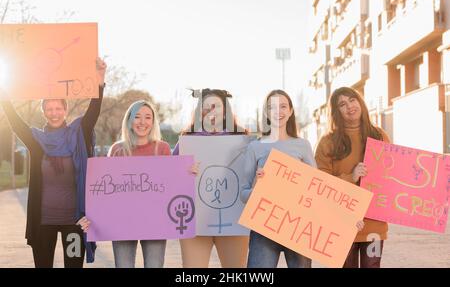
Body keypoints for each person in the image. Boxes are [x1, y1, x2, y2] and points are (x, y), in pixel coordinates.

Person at [0, 57, 107, 268]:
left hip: (74, 222)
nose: (54, 113)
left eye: (58, 108)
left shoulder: (78, 135)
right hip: (43, 222)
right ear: (44, 112)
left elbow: (93, 110)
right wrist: (4, 94)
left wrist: (100, 79)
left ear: (65, 110)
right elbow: (15, 122)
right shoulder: (37, 141)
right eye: (49, 109)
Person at [78, 100, 198, 268]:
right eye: (137, 117)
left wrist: (187, 173)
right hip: (122, 223)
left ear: (153, 122)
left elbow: (172, 184)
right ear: (129, 120)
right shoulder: (117, 150)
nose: (143, 122)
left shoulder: (162, 149)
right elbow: (105, 192)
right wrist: (92, 216)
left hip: (156, 222)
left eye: (148, 117)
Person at [172, 88, 249, 268]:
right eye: (206, 107)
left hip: (234, 223)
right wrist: (183, 172)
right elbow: (170, 181)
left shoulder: (241, 139)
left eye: (217, 107)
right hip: (196, 224)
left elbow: (250, 175)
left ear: (225, 112)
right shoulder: (187, 140)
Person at [315, 86, 389, 268]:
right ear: (336, 112)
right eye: (342, 104)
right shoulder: (328, 142)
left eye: (352, 99)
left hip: (374, 225)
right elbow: (319, 183)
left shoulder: (379, 136)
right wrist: (351, 177)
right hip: (341, 223)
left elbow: (391, 176)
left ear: (360, 102)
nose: (349, 106)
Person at [240, 89, 315, 268]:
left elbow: (317, 191)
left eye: (283, 106)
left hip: (298, 226)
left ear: (290, 111)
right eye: (272, 107)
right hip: (264, 228)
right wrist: (257, 188)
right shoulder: (254, 147)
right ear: (266, 113)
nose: (278, 111)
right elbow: (243, 194)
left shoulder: (303, 146)